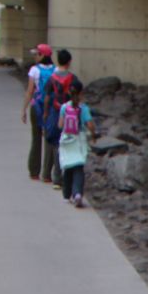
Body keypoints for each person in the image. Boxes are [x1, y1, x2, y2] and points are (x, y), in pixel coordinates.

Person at [56, 75, 93, 207]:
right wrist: (93, 134)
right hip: (79, 139)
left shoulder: (64, 107)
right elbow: (89, 125)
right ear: (81, 93)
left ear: (68, 92)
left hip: (66, 139)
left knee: (68, 166)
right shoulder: (84, 108)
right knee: (78, 167)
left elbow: (60, 125)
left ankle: (67, 195)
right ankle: (77, 193)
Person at [39, 47, 73, 187]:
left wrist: (45, 113)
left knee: (54, 143)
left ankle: (56, 177)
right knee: (67, 144)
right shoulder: (72, 78)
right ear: (69, 62)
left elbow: (47, 97)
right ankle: (65, 176)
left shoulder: (52, 78)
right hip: (69, 114)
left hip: (54, 113)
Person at [21, 43, 55, 182]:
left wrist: (24, 109)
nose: (35, 57)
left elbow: (30, 91)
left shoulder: (34, 70)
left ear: (42, 55)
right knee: (49, 139)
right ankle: (47, 174)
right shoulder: (56, 70)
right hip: (51, 108)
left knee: (36, 139)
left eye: (37, 54)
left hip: (37, 107)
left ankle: (34, 171)